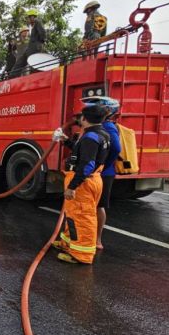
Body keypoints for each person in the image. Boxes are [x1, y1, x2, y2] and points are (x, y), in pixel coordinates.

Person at [52, 105, 110, 264]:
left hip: (84, 181)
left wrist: (73, 186)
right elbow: (82, 154)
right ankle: (68, 243)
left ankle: (81, 255)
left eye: (81, 117)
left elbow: (87, 164)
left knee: (82, 217)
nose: (79, 120)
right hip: (91, 179)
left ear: (85, 119)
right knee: (72, 214)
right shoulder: (100, 134)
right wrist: (66, 141)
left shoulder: (90, 137)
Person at [81, 96, 121, 250]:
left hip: (102, 174)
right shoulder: (95, 127)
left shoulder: (108, 127)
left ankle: (97, 240)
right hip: (96, 172)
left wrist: (102, 164)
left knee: (98, 206)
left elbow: (116, 149)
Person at [11, 10, 46, 77]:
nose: (28, 20)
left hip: (35, 47)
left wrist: (40, 44)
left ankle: (35, 76)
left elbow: (43, 33)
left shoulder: (37, 22)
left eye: (28, 18)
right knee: (19, 63)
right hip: (30, 49)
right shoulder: (18, 40)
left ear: (32, 17)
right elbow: (13, 49)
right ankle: (12, 76)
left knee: (33, 65)